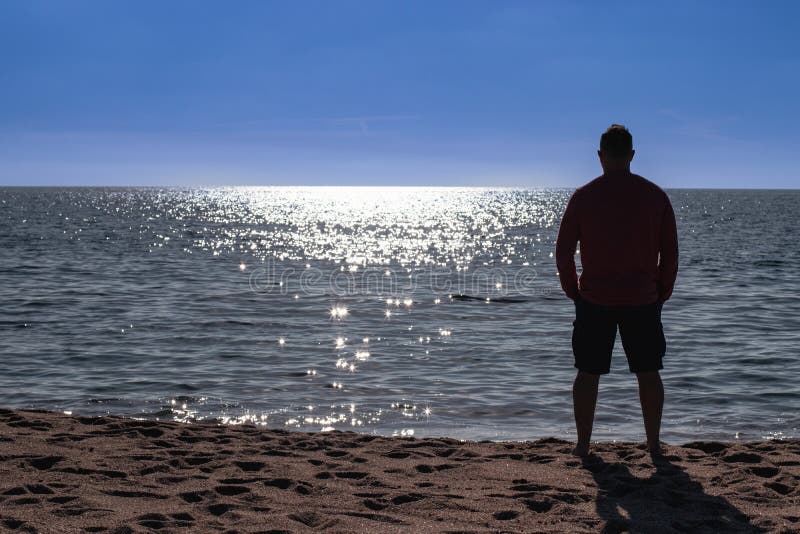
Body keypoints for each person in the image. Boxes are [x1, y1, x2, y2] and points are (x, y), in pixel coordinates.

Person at [555, 124, 678, 457]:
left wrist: (574, 291)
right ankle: (653, 444)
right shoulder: (655, 196)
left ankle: (582, 445)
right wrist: (662, 292)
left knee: (588, 373)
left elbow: (564, 253)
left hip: (595, 299)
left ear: (600, 156)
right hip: (643, 299)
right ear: (632, 155)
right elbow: (670, 253)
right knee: (649, 372)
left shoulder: (583, 197)